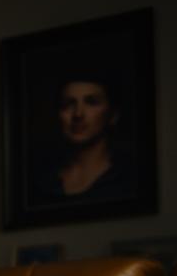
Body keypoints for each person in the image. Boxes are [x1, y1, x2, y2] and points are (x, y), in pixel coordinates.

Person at [34, 68, 133, 204]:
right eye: (68, 104)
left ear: (113, 115)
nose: (78, 114)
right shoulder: (39, 181)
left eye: (91, 102)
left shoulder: (130, 178)